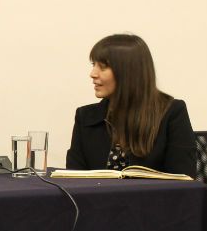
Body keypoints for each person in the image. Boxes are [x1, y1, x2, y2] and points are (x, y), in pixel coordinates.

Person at [67, 34, 195, 177]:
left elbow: (182, 182)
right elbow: (73, 181)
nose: (93, 74)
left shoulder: (171, 112)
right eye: (93, 65)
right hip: (94, 199)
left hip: (153, 199)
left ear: (129, 72)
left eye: (102, 67)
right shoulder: (85, 116)